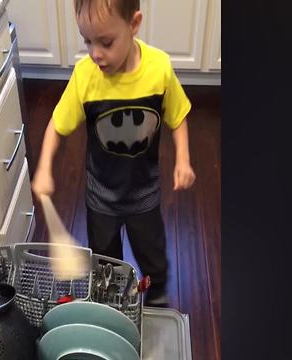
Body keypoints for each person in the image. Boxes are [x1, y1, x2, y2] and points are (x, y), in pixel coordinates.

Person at [31, 0, 195, 307]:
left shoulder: (158, 69)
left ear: (134, 25)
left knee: (153, 252)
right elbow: (56, 125)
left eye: (105, 42)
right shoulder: (85, 77)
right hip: (101, 195)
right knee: (105, 261)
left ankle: (157, 294)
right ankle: (110, 302)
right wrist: (43, 167)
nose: (95, 54)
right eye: (87, 41)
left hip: (143, 191)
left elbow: (178, 115)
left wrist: (183, 159)